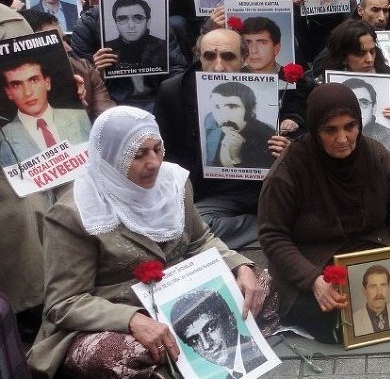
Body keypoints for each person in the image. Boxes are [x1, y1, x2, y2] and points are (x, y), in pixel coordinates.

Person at [26, 106, 276, 378]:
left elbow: (200, 240)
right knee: (117, 354)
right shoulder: (78, 212)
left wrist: (239, 265)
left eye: (158, 148)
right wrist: (131, 319)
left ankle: (194, 358)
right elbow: (64, 303)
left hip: (177, 301)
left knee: (258, 283)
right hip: (113, 316)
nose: (154, 162)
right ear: (111, 158)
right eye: (138, 154)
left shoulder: (173, 182)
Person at [258, 83, 390, 342]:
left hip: (372, 251)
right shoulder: (289, 171)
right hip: (313, 259)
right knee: (329, 314)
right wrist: (312, 279)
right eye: (330, 130)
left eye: (350, 127)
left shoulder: (375, 155)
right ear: (315, 130)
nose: (342, 139)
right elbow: (273, 236)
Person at [0, 56, 91, 166]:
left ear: (47, 83)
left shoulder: (80, 117)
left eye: (34, 80)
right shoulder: (3, 138)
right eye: (16, 85)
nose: (28, 92)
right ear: (8, 92)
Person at [170, 288, 268, 375]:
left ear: (230, 319)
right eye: (194, 339)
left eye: (210, 328)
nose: (207, 345)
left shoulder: (266, 350)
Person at [203, 81, 277, 170]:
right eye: (217, 107)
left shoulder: (266, 137)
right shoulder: (210, 128)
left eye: (232, 106)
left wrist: (236, 158)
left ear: (251, 109)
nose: (223, 115)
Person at [343, 76, 390, 164]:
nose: (358, 108)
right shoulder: (331, 134)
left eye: (364, 102)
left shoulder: (387, 134)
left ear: (374, 108)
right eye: (351, 102)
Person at [105, 0, 167, 72]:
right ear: (115, 22)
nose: (131, 26)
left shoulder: (163, 46)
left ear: (148, 21)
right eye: (122, 19)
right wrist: (97, 71)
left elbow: (177, 70)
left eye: (138, 18)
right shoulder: (106, 49)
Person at [351, 264, 390, 335]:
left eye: (383, 285)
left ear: (388, 288)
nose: (379, 292)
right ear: (364, 291)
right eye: (373, 286)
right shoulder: (353, 321)